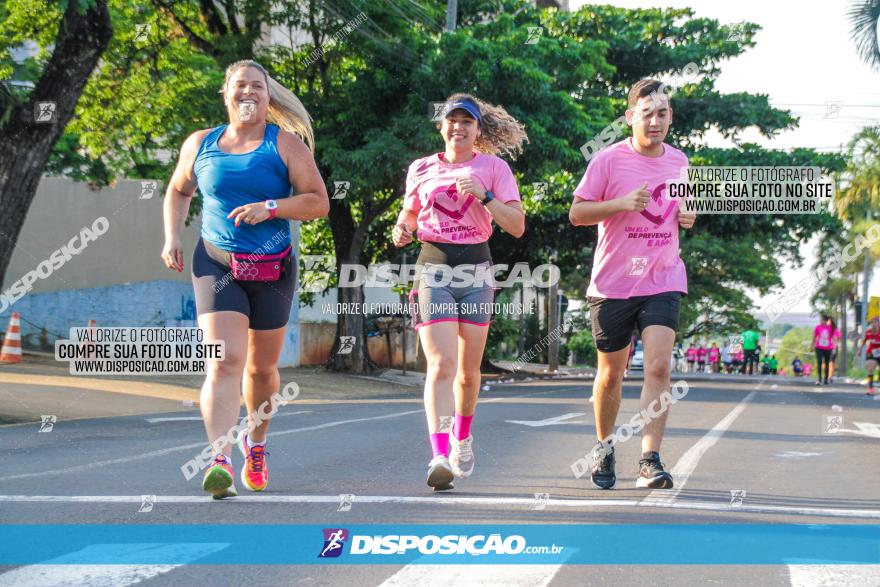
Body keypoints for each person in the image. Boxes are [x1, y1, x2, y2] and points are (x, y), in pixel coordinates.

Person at [162, 60, 329, 499]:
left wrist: (272, 208)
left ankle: (255, 443)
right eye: (240, 85)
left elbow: (317, 202)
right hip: (216, 262)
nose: (248, 92)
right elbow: (179, 190)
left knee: (261, 368)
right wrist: (171, 237)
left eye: (257, 85)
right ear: (226, 93)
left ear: (267, 96)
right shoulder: (200, 144)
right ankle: (220, 459)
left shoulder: (285, 145)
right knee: (224, 360)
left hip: (272, 268)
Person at [393, 94, 527, 490]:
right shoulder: (421, 168)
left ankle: (461, 436)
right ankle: (437, 455)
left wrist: (485, 196)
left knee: (468, 375)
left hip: (477, 272)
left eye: (466, 121)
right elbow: (410, 213)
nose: (458, 127)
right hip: (433, 267)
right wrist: (402, 227)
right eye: (451, 120)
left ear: (477, 130)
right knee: (441, 365)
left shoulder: (494, 168)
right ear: (441, 127)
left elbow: (517, 225)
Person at [569, 78, 695, 490]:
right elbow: (578, 213)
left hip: (663, 277)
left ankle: (649, 459)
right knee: (610, 375)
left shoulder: (680, 161)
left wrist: (689, 217)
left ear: (670, 117)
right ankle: (604, 447)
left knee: (659, 366)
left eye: (662, 113)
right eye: (647, 114)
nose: (655, 121)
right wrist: (620, 205)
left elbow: (681, 209)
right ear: (630, 118)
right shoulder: (607, 161)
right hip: (613, 283)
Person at [811, 313, 838, 386]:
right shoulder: (818, 327)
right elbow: (814, 337)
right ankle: (819, 379)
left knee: (826, 363)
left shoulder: (831, 328)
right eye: (820, 319)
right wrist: (811, 346)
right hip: (819, 347)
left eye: (821, 319)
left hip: (828, 348)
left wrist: (834, 348)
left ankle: (826, 379)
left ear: (825, 320)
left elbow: (834, 338)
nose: (820, 321)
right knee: (819, 363)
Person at [858, 316, 880, 395]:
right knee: (870, 369)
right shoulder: (869, 332)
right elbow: (864, 341)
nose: (874, 324)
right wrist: (860, 350)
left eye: (876, 322)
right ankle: (870, 388)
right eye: (873, 322)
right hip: (871, 352)